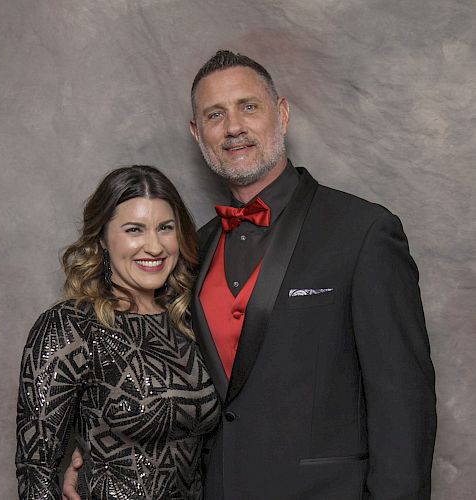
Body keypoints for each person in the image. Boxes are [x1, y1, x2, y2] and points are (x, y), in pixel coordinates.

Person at [64, 51, 437, 499]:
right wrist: (99, 454)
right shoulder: (188, 250)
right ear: (197, 133)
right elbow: (150, 376)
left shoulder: (363, 232)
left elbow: (402, 404)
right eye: (215, 114)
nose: (233, 126)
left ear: (281, 114)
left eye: (248, 106)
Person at [15, 165, 220, 499]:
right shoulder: (70, 326)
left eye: (165, 228)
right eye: (134, 230)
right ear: (102, 239)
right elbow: (35, 473)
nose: (154, 246)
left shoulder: (189, 320)